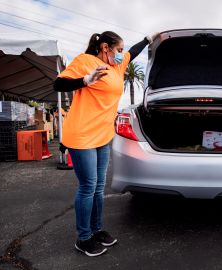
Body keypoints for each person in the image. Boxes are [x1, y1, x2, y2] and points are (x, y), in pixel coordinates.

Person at [54, 30, 160, 257]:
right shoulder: (85, 61)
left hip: (103, 135)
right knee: (88, 186)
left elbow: (132, 52)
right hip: (82, 135)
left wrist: (149, 39)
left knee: (99, 186)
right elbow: (59, 84)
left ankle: (97, 230)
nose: (122, 54)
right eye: (118, 50)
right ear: (105, 48)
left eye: (122, 50)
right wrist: (85, 80)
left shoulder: (117, 67)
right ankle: (83, 238)